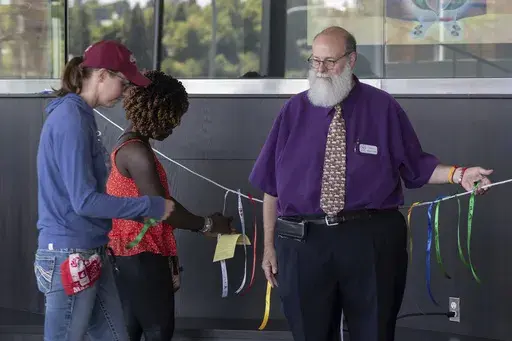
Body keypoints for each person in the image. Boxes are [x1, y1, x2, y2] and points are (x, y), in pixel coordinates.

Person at [249, 26, 493, 341]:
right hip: (303, 244)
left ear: (351, 60)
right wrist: (268, 248)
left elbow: (417, 166)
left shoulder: (383, 108)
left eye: (330, 61)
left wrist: (460, 174)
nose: (320, 70)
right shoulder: (293, 111)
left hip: (370, 241)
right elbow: (271, 187)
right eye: (315, 61)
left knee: (374, 332)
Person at [34, 40, 175, 341]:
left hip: (89, 250)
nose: (126, 93)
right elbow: (84, 201)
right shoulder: (70, 119)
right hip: (70, 253)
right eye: (123, 83)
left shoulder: (80, 116)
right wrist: (149, 206)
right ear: (101, 75)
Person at [106, 69, 235, 341]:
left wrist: (203, 224)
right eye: (172, 117)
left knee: (131, 332)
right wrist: (208, 225)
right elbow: (162, 208)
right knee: (158, 332)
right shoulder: (136, 152)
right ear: (157, 112)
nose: (174, 125)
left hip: (133, 256)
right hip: (140, 257)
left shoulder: (131, 145)